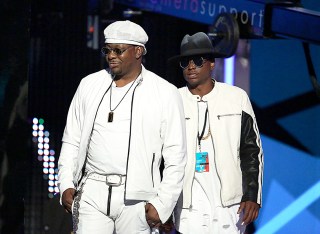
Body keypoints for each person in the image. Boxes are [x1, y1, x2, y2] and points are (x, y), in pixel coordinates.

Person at [57, 20, 187, 234]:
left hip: (137, 197)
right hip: (92, 189)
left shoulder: (164, 92)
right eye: (107, 50)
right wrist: (65, 184)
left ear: (138, 51)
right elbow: (71, 139)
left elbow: (176, 154)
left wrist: (162, 203)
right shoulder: (89, 85)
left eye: (119, 50)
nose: (111, 56)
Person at [168, 32, 264, 234]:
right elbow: (161, 157)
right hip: (187, 205)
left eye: (198, 60)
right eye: (185, 62)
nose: (191, 66)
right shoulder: (172, 100)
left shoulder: (236, 97)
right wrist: (163, 205)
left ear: (211, 63)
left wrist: (252, 195)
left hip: (229, 205)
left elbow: (251, 151)